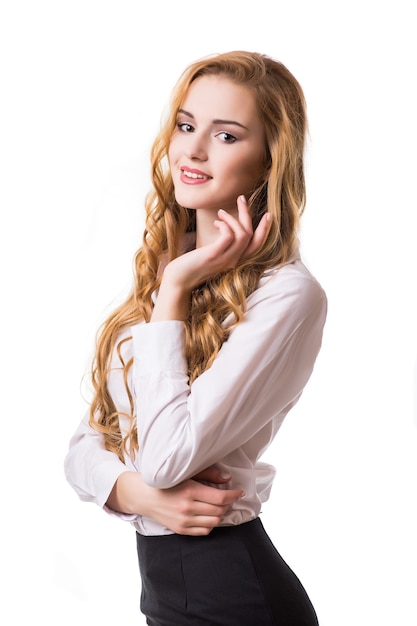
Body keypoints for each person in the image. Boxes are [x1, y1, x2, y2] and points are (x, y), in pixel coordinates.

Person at [64, 50, 327, 625]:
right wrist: (134, 497)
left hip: (235, 596)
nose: (193, 150)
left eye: (226, 135)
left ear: (267, 162)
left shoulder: (286, 295)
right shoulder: (164, 269)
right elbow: (85, 446)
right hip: (164, 594)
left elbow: (163, 458)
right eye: (186, 126)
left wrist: (177, 287)